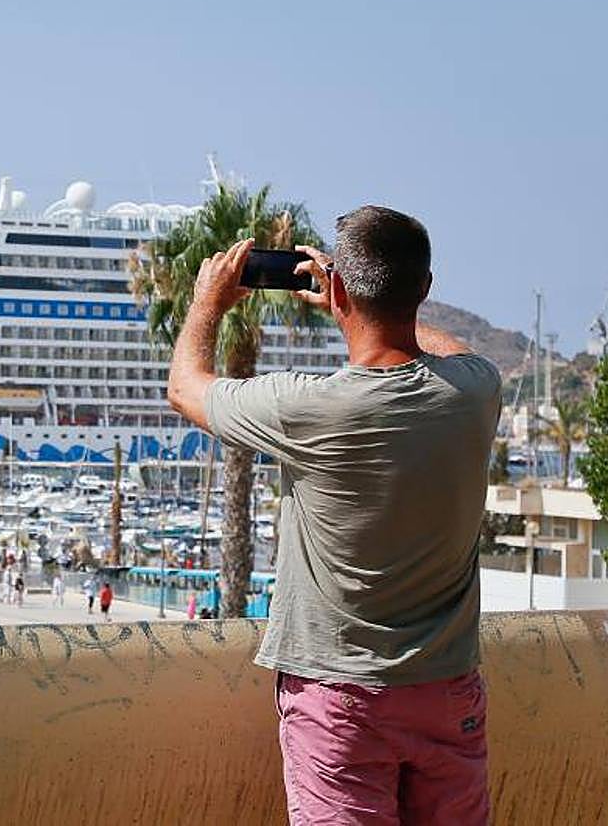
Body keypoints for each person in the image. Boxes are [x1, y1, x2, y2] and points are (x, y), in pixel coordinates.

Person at [167, 208, 499, 824]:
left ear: (339, 289)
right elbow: (452, 353)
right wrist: (359, 308)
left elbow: (186, 387)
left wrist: (208, 301)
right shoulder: (477, 390)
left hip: (338, 696)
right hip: (448, 690)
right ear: (423, 290)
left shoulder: (307, 406)